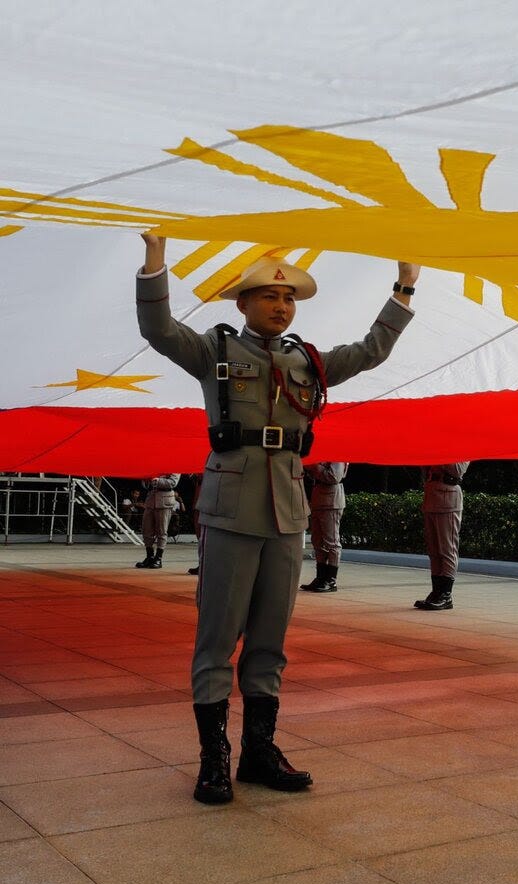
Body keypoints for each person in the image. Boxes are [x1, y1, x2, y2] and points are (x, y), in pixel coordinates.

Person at [136, 233, 418, 804]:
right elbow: (159, 331)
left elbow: (372, 350)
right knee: (218, 638)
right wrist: (154, 263)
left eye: (287, 300)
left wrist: (404, 288)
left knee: (270, 639)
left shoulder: (307, 361)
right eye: (267, 297)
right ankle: (214, 758)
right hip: (231, 507)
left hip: (287, 510)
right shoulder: (215, 352)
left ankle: (259, 752)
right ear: (242, 304)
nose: (280, 306)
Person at [414, 463, 470, 610]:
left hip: (449, 495)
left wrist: (439, 454)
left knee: (447, 548)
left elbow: (457, 470)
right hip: (432, 493)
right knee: (434, 550)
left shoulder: (463, 444)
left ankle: (446, 594)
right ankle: (436, 591)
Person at [300, 461, 348, 592]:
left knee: (332, 542)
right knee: (317, 541)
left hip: (331, 502)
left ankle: (331, 580)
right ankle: (320, 577)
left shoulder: (337, 454)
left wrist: (314, 466)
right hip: (318, 499)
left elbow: (334, 477)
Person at [135, 474, 180, 568]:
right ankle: (149, 556)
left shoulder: (175, 463)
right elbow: (146, 485)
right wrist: (147, 481)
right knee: (146, 529)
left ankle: (158, 558)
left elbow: (173, 482)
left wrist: (157, 481)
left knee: (162, 531)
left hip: (164, 500)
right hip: (151, 500)